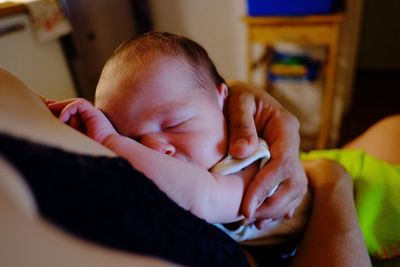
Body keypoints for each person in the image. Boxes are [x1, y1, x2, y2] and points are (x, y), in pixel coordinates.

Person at [47, 32, 399, 260]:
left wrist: (110, 139)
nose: (154, 147)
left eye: (174, 124)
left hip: (377, 197)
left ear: (223, 103)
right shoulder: (204, 145)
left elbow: (200, 199)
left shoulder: (243, 163)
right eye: (133, 138)